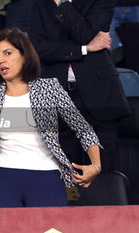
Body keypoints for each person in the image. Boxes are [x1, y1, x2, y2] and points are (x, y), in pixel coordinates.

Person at [0, 28, 102, 208]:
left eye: (8, 53)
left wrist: (96, 165)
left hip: (45, 175)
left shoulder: (49, 88)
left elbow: (83, 128)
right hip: (2, 176)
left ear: (25, 56)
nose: (1, 60)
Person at [29, 0, 131, 173]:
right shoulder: (41, 3)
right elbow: (38, 49)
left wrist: (62, 4)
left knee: (104, 170)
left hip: (98, 93)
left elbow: (85, 34)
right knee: (67, 171)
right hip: (58, 94)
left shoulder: (101, 3)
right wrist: (85, 49)